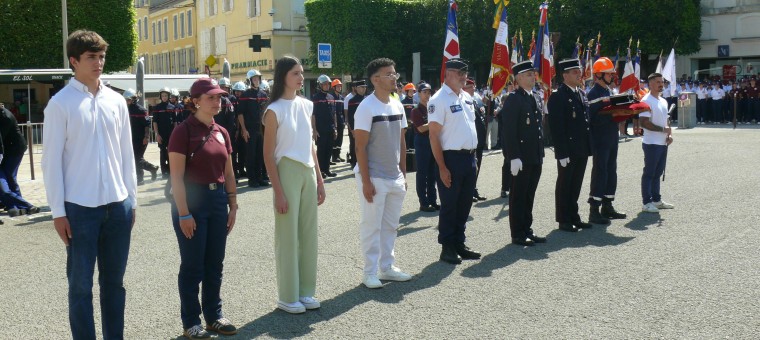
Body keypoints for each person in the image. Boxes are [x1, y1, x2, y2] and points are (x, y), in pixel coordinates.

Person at [41, 30, 137, 340]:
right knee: (80, 286)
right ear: (74, 61)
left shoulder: (116, 101)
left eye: (101, 57)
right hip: (79, 209)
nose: (98, 63)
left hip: (117, 205)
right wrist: (58, 211)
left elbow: (127, 156)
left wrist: (131, 201)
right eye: (91, 57)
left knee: (115, 284)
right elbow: (50, 162)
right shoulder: (60, 105)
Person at [168, 78, 238, 338]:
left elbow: (228, 173)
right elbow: (176, 177)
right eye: (211, 97)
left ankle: (214, 316)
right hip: (192, 202)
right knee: (193, 265)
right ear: (196, 101)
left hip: (218, 201)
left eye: (219, 97)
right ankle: (191, 321)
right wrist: (184, 213)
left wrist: (233, 205)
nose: (217, 101)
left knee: (214, 263)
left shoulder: (222, 131)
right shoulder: (182, 131)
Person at [262, 56, 326, 313]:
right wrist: (278, 191)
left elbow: (311, 145)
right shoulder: (273, 110)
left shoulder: (307, 105)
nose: (301, 78)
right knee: (288, 237)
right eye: (295, 73)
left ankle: (306, 292)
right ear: (283, 77)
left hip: (308, 172)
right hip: (286, 171)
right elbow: (268, 155)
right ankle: (288, 296)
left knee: (309, 235)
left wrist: (320, 180)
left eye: (301, 73)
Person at [353, 58, 413, 288]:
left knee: (390, 225)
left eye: (394, 73)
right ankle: (369, 272)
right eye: (389, 74)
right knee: (372, 225)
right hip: (374, 176)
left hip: (394, 176)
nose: (394, 78)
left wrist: (403, 174)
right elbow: (360, 147)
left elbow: (401, 140)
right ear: (375, 79)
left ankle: (387, 267)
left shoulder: (397, 104)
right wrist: (366, 181)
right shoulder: (366, 107)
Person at [427, 58, 482, 264]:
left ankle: (459, 241)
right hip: (451, 158)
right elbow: (433, 136)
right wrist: (442, 167)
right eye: (459, 73)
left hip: (469, 158)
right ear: (447, 74)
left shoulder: (466, 97)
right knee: (450, 204)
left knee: (465, 203)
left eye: (465, 73)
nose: (463, 77)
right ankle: (447, 246)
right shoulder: (438, 99)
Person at [501, 61, 547, 246]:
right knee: (518, 196)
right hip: (521, 157)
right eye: (528, 74)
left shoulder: (534, 97)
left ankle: (527, 229)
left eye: (533, 74)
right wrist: (513, 156)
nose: (533, 77)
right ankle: (518, 233)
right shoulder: (514, 99)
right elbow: (509, 131)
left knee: (529, 195)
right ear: (518, 78)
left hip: (534, 155)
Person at [547, 59, 593, 233]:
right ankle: (563, 218)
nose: (578, 74)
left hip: (581, 147)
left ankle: (574, 215)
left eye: (578, 71)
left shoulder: (581, 93)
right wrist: (561, 152)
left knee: (576, 183)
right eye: (574, 72)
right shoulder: (558, 96)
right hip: (568, 148)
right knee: (565, 184)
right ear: (565, 75)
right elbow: (557, 127)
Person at [587, 57, 627, 224]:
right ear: (599, 75)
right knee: (600, 171)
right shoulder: (594, 93)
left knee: (611, 170)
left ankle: (607, 205)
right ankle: (594, 209)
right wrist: (612, 114)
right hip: (600, 138)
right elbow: (592, 119)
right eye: (609, 74)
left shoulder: (608, 92)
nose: (612, 76)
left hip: (611, 137)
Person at [638, 73, 675, 213]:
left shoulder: (663, 101)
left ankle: (656, 200)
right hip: (651, 143)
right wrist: (662, 130)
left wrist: (669, 134)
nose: (661, 84)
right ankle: (646, 202)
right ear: (651, 84)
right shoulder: (646, 101)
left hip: (662, 143)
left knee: (658, 172)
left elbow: (666, 121)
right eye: (658, 82)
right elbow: (644, 123)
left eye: (662, 82)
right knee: (649, 173)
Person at [0, 100, 39, 216]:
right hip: (10, 148)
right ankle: (15, 204)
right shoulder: (3, 114)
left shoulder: (5, 116)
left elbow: (1, 138)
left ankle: (18, 204)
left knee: (9, 176)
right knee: (8, 177)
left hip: (15, 149)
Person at [238, 69, 271, 187]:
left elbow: (266, 112)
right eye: (254, 79)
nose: (257, 81)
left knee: (260, 154)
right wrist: (244, 129)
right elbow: (240, 113)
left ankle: (260, 177)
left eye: (258, 78)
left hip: (261, 129)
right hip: (250, 129)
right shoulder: (245, 95)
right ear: (250, 80)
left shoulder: (263, 94)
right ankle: (252, 179)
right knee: (251, 155)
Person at [410, 82, 438, 212]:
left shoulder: (432, 107)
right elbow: (421, 128)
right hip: (422, 141)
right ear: (419, 94)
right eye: (424, 92)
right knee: (422, 173)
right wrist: (434, 122)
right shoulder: (416, 110)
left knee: (432, 172)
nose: (427, 95)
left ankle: (433, 200)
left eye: (428, 92)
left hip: (432, 140)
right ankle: (423, 202)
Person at [124, 89, 159, 185]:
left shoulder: (141, 110)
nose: (127, 102)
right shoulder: (125, 109)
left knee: (137, 158)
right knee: (136, 158)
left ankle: (151, 169)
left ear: (134, 99)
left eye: (128, 99)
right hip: (131, 138)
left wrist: (146, 137)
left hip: (141, 138)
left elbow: (147, 125)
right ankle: (140, 178)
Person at [463, 78, 487, 202]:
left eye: (473, 86)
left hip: (480, 139)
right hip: (472, 141)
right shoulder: (465, 102)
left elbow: (483, 115)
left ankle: (474, 189)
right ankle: (470, 191)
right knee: (473, 167)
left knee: (478, 165)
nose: (473, 88)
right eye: (469, 87)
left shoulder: (476, 100)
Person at [312, 75, 337, 178]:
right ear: (320, 85)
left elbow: (334, 113)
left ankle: (327, 169)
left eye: (328, 84)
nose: (327, 86)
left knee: (329, 149)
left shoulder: (331, 97)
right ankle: (320, 171)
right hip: (320, 129)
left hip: (330, 128)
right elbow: (313, 115)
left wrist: (335, 128)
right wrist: (314, 130)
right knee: (321, 151)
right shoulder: (315, 98)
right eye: (324, 84)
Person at [152, 87, 176, 178]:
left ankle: (170, 171)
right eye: (163, 96)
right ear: (160, 97)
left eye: (166, 95)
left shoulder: (172, 107)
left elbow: (175, 122)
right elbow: (155, 122)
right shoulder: (157, 107)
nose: (164, 97)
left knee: (171, 152)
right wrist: (157, 134)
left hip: (171, 134)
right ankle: (164, 172)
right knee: (163, 152)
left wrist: (175, 134)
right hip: (161, 134)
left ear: (169, 96)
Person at [347, 80, 367, 168]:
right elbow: (350, 116)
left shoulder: (367, 99)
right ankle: (354, 162)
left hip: (365, 127)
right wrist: (352, 129)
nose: (363, 89)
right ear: (357, 88)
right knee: (354, 145)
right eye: (361, 87)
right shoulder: (352, 101)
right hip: (356, 127)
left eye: (364, 87)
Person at [230, 81, 248, 178]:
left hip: (244, 128)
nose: (237, 93)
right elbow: (236, 116)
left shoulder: (245, 100)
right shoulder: (232, 100)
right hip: (236, 128)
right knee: (234, 150)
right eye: (236, 91)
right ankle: (235, 170)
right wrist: (237, 129)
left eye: (240, 91)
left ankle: (241, 169)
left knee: (243, 150)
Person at [330, 79, 346, 163]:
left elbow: (343, 111)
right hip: (334, 122)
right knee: (334, 140)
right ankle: (334, 156)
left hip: (341, 121)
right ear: (333, 87)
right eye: (338, 86)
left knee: (340, 139)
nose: (340, 88)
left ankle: (338, 155)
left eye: (340, 86)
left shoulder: (341, 98)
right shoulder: (331, 97)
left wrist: (344, 121)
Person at [401, 83, 416, 150]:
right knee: (408, 136)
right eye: (410, 91)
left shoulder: (415, 102)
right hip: (406, 123)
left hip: (414, 123)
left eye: (413, 91)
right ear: (406, 92)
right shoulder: (403, 102)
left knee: (414, 136)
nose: (411, 93)